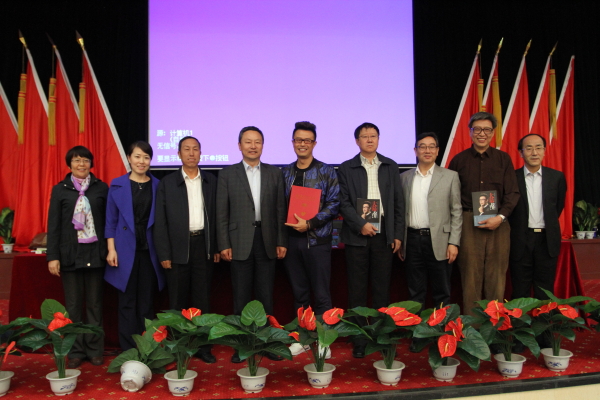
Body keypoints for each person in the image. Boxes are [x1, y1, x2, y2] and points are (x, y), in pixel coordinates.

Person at [216, 126, 288, 363]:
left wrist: (281, 240)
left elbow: (280, 210)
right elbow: (221, 213)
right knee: (241, 296)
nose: (253, 146)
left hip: (267, 239)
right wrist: (223, 243)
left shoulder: (274, 173)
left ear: (263, 146)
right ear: (239, 146)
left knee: (266, 295)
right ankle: (243, 346)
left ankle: (266, 343)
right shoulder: (227, 174)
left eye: (257, 142)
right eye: (248, 142)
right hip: (239, 241)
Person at [338, 122, 404, 358]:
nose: (369, 140)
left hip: (384, 233)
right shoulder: (346, 168)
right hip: (357, 234)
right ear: (357, 141)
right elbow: (343, 202)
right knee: (357, 290)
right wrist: (360, 224)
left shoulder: (390, 165)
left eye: (373, 136)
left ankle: (380, 336)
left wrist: (397, 234)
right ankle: (359, 338)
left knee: (381, 288)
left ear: (378, 139)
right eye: (364, 136)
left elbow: (398, 202)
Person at [154, 136, 219, 364]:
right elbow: (160, 221)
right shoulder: (167, 183)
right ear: (179, 154)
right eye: (186, 149)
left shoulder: (211, 181)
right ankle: (178, 347)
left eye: (195, 149)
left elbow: (218, 216)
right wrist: (164, 253)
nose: (191, 153)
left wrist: (216, 246)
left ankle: (203, 347)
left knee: (203, 301)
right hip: (177, 248)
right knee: (177, 301)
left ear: (201, 153)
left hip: (204, 246)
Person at [448, 112, 520, 315]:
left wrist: (500, 217)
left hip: (498, 222)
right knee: (470, 277)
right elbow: (451, 196)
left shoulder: (503, 159)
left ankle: (494, 326)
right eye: (477, 129)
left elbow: (513, 193)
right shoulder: (459, 160)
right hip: (468, 222)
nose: (482, 133)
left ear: (493, 133)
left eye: (487, 129)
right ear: (470, 132)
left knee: (496, 277)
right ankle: (472, 328)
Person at [47, 146, 108, 368]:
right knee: (73, 307)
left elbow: (108, 222)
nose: (81, 164)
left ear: (91, 163)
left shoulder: (101, 188)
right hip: (70, 255)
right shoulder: (60, 190)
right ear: (69, 164)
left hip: (95, 254)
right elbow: (53, 225)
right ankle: (75, 351)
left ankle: (95, 350)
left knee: (94, 305)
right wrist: (52, 256)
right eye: (76, 160)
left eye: (85, 160)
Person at [282, 121, 340, 357]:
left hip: (318, 242)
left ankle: (324, 341)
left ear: (314, 143)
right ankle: (303, 339)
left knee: (322, 294)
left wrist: (310, 223)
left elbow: (334, 204)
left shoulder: (326, 171)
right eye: (298, 140)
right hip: (292, 242)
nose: (302, 144)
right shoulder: (285, 173)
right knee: (300, 294)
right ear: (293, 142)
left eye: (307, 140)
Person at [104, 141, 165, 351]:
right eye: (137, 156)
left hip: (149, 252)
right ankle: (128, 350)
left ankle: (147, 348)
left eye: (146, 157)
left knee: (147, 303)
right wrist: (111, 249)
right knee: (127, 302)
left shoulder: (158, 186)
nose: (142, 161)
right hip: (124, 251)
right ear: (129, 158)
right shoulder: (117, 185)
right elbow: (110, 221)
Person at [399, 132, 462, 315]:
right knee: (415, 292)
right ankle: (416, 331)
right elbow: (400, 211)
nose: (427, 150)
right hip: (412, 240)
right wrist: (401, 240)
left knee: (441, 292)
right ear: (415, 150)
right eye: (423, 146)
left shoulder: (450, 176)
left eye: (431, 146)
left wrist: (454, 242)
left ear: (437, 150)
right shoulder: (404, 178)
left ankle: (441, 331)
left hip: (440, 241)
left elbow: (456, 211)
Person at [509, 134, 566, 300]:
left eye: (538, 147)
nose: (534, 152)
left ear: (544, 151)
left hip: (546, 240)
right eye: (529, 148)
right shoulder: (512, 177)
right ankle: (521, 318)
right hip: (520, 239)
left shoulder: (557, 177)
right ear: (521, 153)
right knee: (520, 289)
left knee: (545, 290)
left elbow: (557, 207)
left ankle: (545, 318)